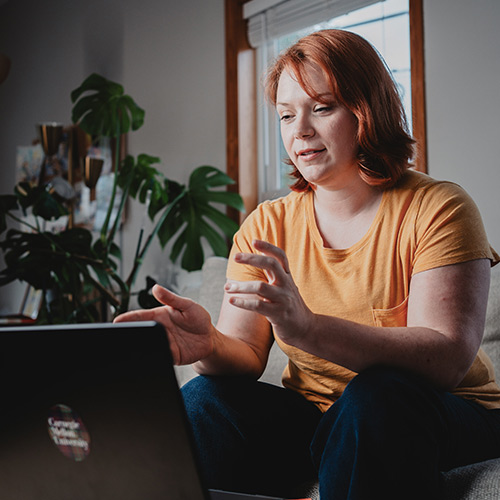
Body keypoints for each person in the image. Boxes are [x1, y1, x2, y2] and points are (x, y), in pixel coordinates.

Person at [115, 29, 500, 500]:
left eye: (321, 107)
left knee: (376, 397)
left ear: (367, 109)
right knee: (202, 400)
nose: (299, 131)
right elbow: (245, 353)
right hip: (318, 416)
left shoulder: (438, 207)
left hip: (442, 410)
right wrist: (208, 343)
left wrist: (309, 328)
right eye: (285, 114)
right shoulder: (268, 223)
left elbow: (446, 360)